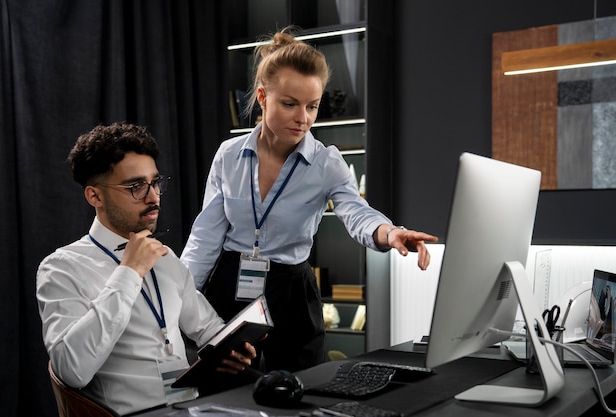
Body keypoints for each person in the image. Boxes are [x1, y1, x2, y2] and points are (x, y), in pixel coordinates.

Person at [180, 28, 438, 373]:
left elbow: (355, 211)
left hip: (293, 293)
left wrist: (389, 232)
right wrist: (176, 297)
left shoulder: (326, 162)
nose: (303, 118)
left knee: (301, 390)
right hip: (231, 286)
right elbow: (206, 236)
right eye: (289, 104)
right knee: (227, 392)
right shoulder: (229, 155)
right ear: (262, 97)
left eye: (312, 106)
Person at [36, 122, 257, 416]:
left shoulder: (166, 258)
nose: (153, 197)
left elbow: (207, 328)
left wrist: (232, 348)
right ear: (95, 197)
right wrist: (129, 272)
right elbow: (71, 370)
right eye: (136, 186)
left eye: (155, 182)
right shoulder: (61, 268)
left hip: (192, 407)